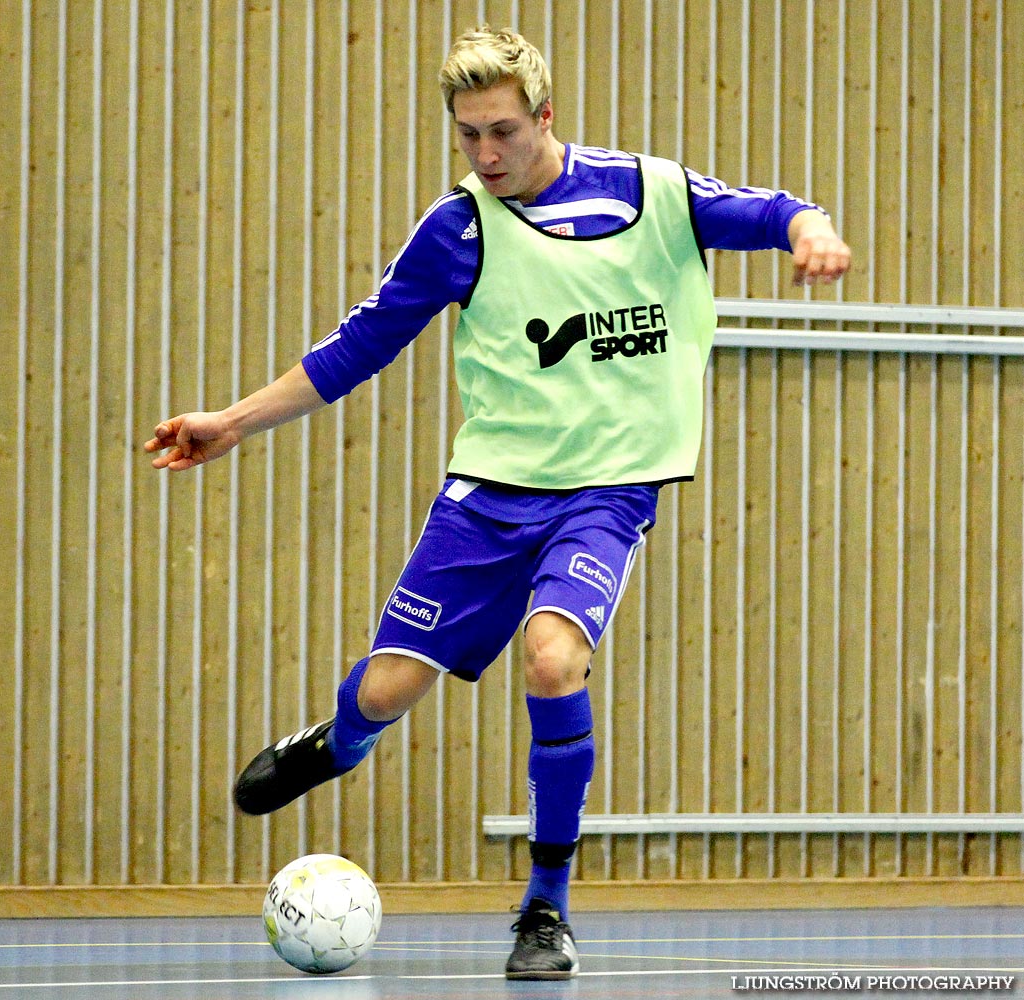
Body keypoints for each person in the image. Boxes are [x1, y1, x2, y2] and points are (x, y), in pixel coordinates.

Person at [145, 25, 851, 980]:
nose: (485, 154)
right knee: (389, 690)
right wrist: (233, 421)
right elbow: (355, 349)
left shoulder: (651, 193)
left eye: (503, 132)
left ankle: (545, 909)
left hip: (606, 488)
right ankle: (341, 742)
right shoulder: (459, 228)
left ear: (545, 118)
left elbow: (776, 212)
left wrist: (811, 232)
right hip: (488, 498)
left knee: (554, 661)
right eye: (468, 134)